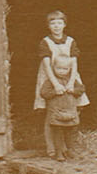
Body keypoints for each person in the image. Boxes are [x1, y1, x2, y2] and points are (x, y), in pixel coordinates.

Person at [33, 10, 88, 159]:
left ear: (64, 24)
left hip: (68, 76)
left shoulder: (70, 41)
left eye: (59, 23)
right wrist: (55, 84)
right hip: (50, 77)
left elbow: (74, 62)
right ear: (48, 26)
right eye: (53, 23)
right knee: (52, 113)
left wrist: (71, 82)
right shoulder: (46, 42)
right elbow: (46, 65)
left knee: (71, 109)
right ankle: (53, 149)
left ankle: (69, 148)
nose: (56, 26)